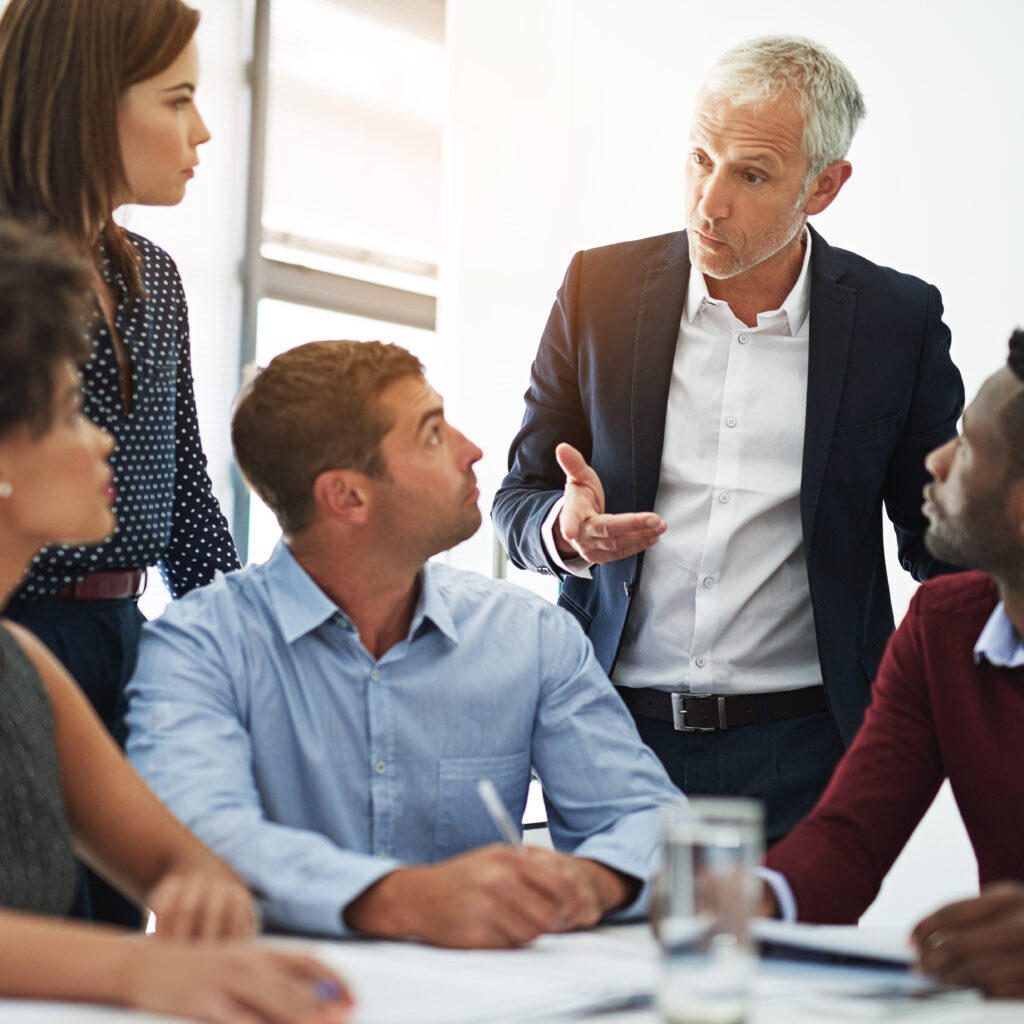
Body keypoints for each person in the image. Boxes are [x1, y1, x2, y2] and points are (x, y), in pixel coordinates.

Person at [491, 35, 964, 841]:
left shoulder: (898, 323)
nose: (708, 203)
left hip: (809, 751)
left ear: (824, 187)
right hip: (608, 731)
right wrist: (563, 533)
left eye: (750, 174)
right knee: (597, 963)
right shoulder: (597, 291)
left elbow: (940, 539)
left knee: (782, 966)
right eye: (699, 159)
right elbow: (516, 502)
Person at [125, 339, 680, 948]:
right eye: (433, 435)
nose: (473, 451)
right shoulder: (197, 646)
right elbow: (200, 835)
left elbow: (647, 821)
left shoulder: (530, 635)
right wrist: (403, 900)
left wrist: (591, 882)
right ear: (348, 497)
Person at [0, 222, 351, 1023]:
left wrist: (205, 892)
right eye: (67, 412)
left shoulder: (21, 670)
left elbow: (179, 863)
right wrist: (135, 970)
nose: (104, 441)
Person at [0, 0, 240, 923]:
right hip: (24, 619)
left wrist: (242, 652)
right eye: (177, 100)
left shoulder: (154, 274)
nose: (202, 130)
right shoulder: (13, 275)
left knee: (115, 911)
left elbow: (183, 497)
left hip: (127, 639)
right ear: (87, 100)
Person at [761, 331, 1024, 997]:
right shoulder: (942, 625)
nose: (934, 461)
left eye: (967, 446)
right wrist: (751, 902)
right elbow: (851, 835)